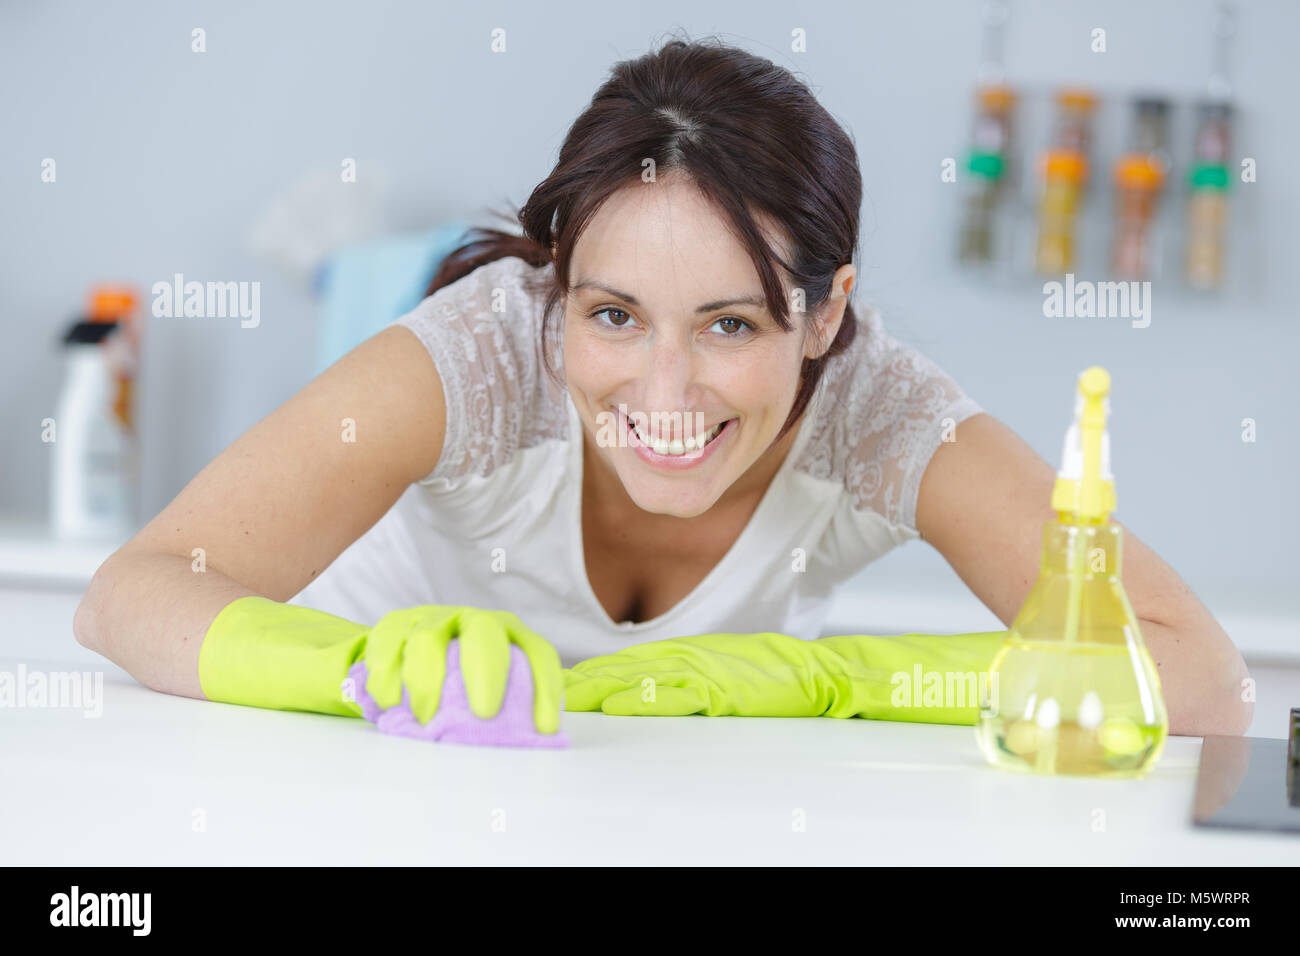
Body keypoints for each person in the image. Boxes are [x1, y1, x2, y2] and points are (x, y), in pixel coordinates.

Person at [74, 37, 1251, 739]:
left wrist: (826, 677)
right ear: (558, 288)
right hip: (362, 768)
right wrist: (357, 670)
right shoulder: (484, 352)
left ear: (825, 312)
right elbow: (130, 593)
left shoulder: (874, 408)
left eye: (731, 322)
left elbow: (1198, 674)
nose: (664, 386)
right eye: (613, 314)